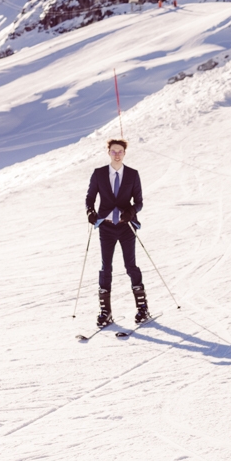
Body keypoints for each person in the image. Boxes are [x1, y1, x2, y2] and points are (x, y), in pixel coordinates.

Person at [85, 138, 149, 327]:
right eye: (113, 151)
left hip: (125, 226)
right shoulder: (99, 174)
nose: (117, 154)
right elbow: (89, 198)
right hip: (106, 227)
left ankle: (142, 308)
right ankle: (105, 312)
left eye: (120, 151)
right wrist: (90, 212)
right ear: (108, 153)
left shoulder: (132, 174)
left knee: (130, 265)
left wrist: (131, 211)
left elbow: (139, 202)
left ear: (124, 153)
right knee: (106, 267)